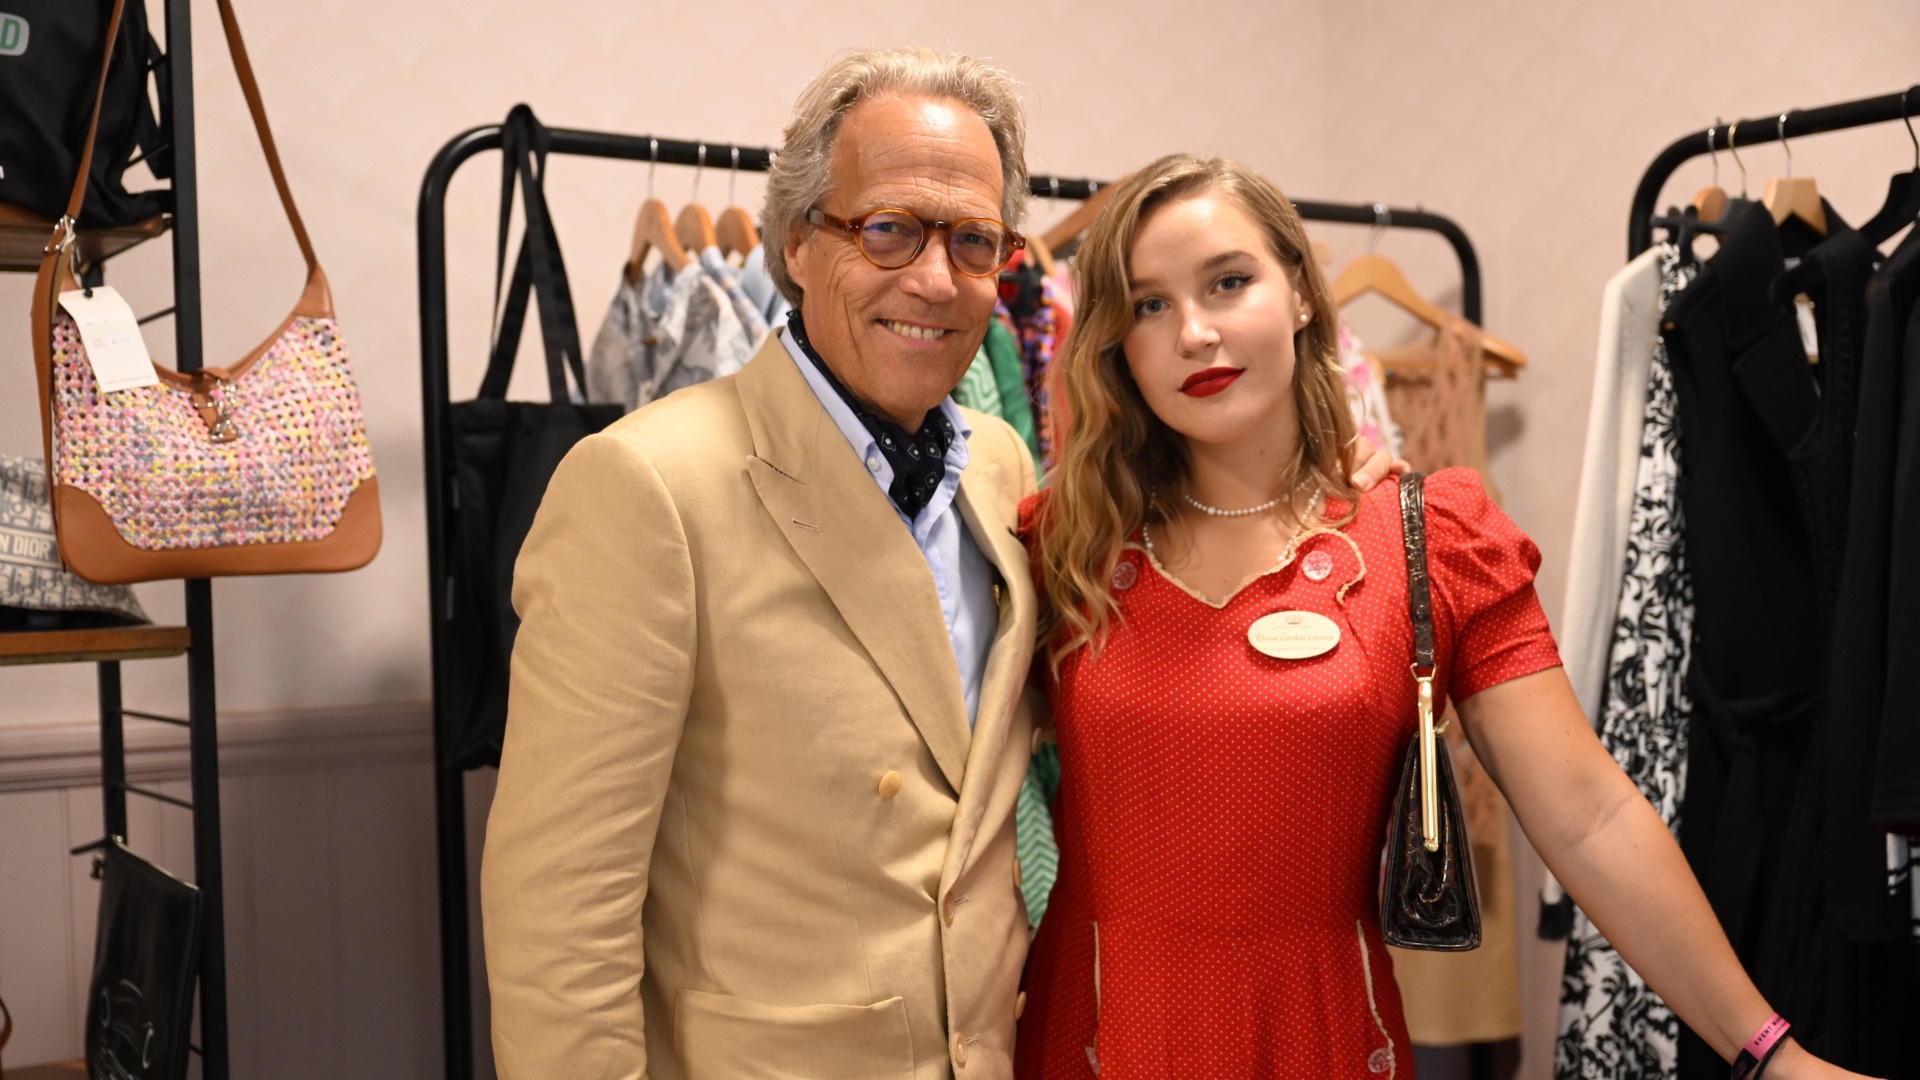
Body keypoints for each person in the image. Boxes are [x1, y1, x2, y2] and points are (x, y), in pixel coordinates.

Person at [482, 49, 1408, 1079]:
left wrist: (1323, 498)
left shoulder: (1003, 470)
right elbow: (557, 916)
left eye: (973, 242)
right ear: (795, 242)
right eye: (887, 230)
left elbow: (1176, 613)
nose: (934, 279)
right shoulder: (647, 485)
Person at [1013, 154, 1874, 1079]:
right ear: (1115, 342)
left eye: (1229, 282)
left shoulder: (1427, 538)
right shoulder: (1061, 544)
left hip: (1321, 1038)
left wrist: (1769, 1052)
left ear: (1301, 295)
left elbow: (1589, 816)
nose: (1194, 332)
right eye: (1148, 305)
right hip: (1095, 1035)